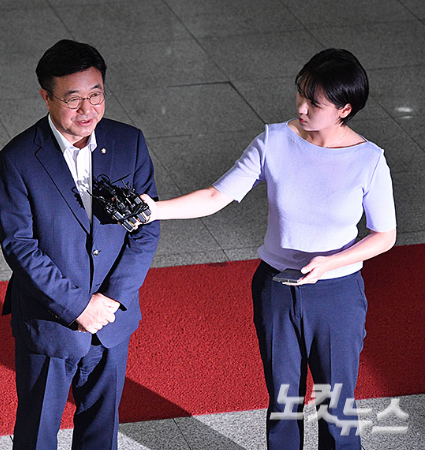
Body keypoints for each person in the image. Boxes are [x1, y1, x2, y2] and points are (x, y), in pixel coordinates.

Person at [140, 48, 396, 449]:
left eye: (315, 103)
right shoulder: (274, 141)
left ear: (344, 109)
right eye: (301, 94)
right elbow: (216, 196)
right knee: (283, 400)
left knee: (336, 405)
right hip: (276, 288)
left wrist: (332, 262)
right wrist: (155, 210)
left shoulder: (369, 161)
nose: (302, 107)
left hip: (336, 295)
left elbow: (385, 235)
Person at [0, 39, 160, 449]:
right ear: (46, 97)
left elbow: (146, 227)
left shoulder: (129, 142)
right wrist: (79, 306)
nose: (87, 110)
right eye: (73, 99)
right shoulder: (16, 160)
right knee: (37, 432)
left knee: (101, 430)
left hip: (112, 320)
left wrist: (111, 300)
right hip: (50, 323)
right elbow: (20, 247)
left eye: (95, 95)